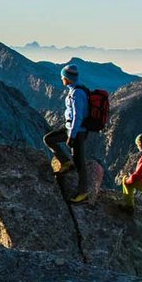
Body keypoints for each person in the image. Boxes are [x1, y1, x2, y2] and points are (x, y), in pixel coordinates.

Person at [60, 65, 96, 203]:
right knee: (49, 139)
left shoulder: (77, 93)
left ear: (68, 78)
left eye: (63, 77)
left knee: (79, 163)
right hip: (70, 128)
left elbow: (78, 116)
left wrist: (72, 135)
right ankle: (66, 162)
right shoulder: (74, 89)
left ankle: (83, 193)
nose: (61, 79)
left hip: (77, 131)